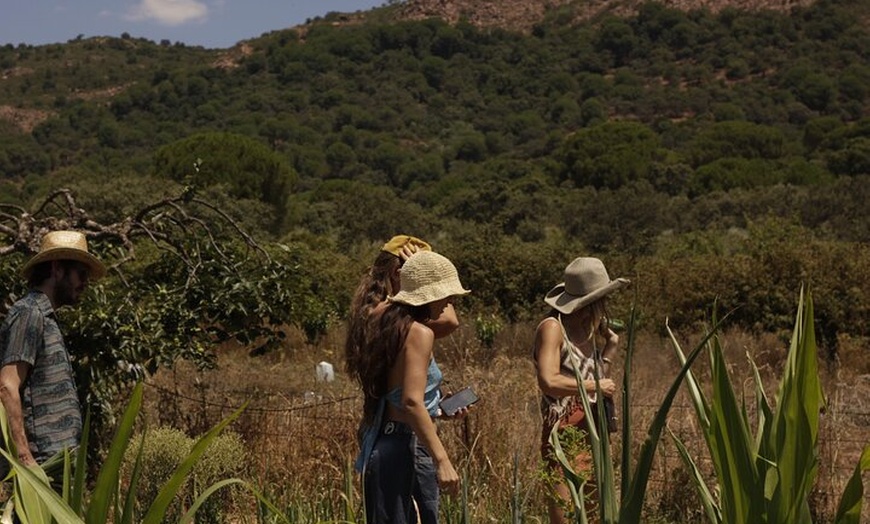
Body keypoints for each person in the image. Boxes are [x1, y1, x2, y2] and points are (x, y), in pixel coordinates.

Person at [349, 250, 470, 523]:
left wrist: (438, 411)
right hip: (405, 446)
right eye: (447, 294)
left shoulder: (389, 324)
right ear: (429, 293)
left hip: (386, 442)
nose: (451, 300)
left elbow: (400, 397)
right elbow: (411, 402)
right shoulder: (420, 332)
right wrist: (443, 460)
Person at [0, 230, 105, 475]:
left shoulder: (45, 317)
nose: (85, 282)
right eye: (81, 273)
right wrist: (25, 459)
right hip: (40, 467)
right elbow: (7, 385)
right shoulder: (29, 313)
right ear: (57, 268)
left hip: (57, 465)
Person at [533, 257, 629, 524]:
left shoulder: (587, 331)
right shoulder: (553, 328)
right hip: (563, 432)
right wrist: (595, 385)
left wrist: (610, 348)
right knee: (563, 515)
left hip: (592, 429)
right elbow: (549, 380)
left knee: (596, 513)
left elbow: (596, 386)